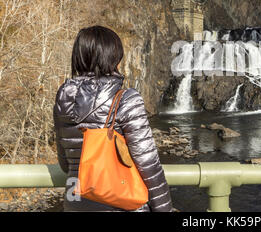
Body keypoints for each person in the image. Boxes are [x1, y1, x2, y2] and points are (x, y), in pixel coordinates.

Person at [53, 26, 173, 212]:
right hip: (120, 202)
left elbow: (65, 163)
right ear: (113, 57)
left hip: (75, 201)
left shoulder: (63, 97)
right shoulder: (126, 98)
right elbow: (148, 163)